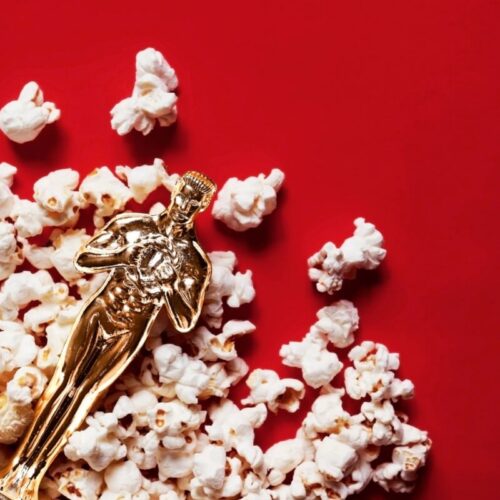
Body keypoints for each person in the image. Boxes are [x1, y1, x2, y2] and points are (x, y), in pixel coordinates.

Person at [0, 171, 216, 500]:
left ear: (201, 206)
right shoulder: (135, 226)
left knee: (84, 396)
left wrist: (169, 284)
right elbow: (84, 258)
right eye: (183, 195)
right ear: (176, 192)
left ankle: (31, 476)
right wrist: (125, 257)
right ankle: (17, 467)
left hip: (131, 329)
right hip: (100, 312)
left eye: (193, 201)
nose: (184, 204)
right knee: (62, 384)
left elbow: (185, 319)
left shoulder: (192, 260)